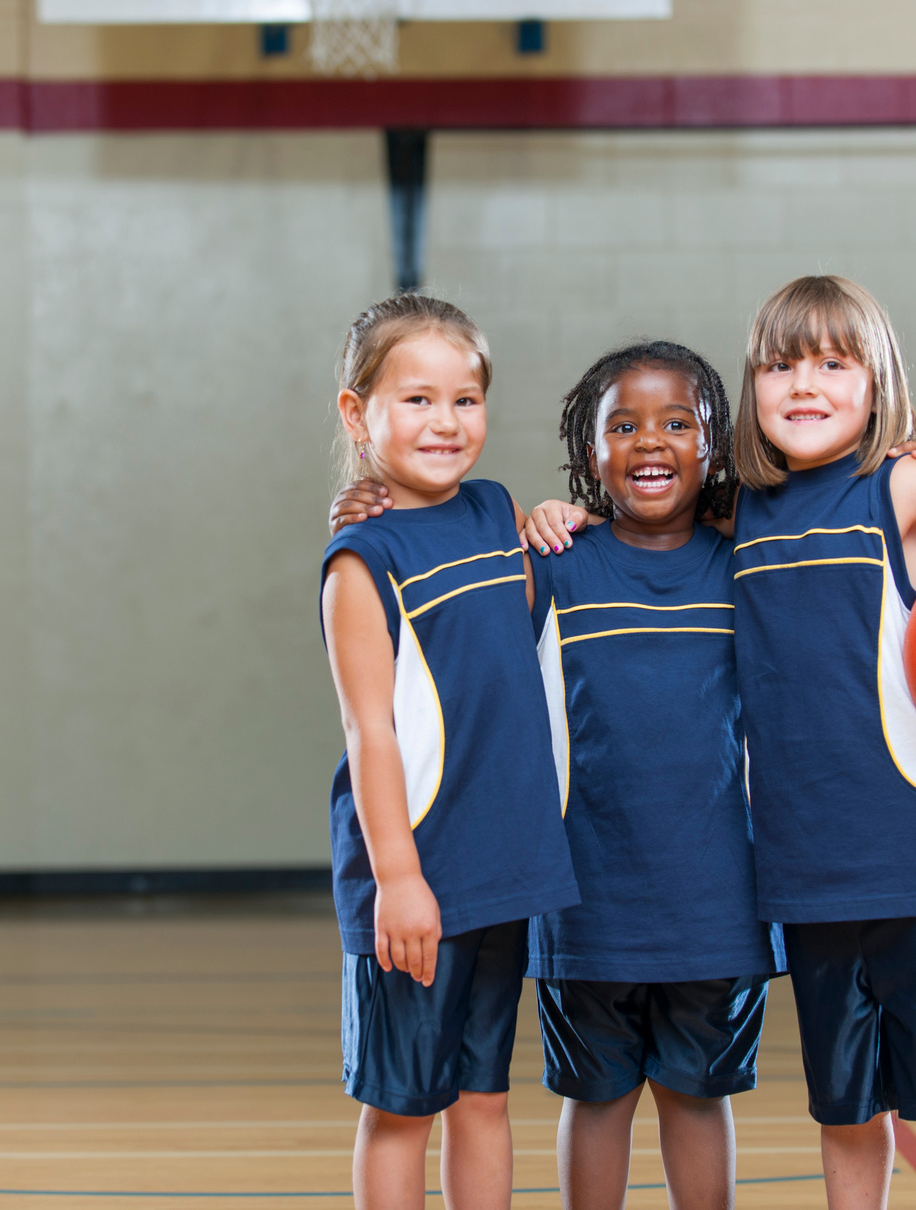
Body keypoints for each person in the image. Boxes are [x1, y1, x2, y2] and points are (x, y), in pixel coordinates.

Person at [523, 276, 916, 1210]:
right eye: (780, 365)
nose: (805, 384)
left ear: (877, 383)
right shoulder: (741, 513)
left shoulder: (904, 486)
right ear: (749, 391)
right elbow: (645, 512)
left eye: (833, 363)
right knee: (845, 1108)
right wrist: (554, 514)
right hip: (803, 876)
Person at [319, 293, 579, 1210]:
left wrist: (551, 515)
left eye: (464, 400)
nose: (445, 421)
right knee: (402, 1107)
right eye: (417, 398)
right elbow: (370, 731)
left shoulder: (493, 511)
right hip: (415, 880)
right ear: (359, 414)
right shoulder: (361, 559)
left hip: (504, 869)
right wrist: (398, 877)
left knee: (483, 1098)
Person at [527, 342, 779, 1210]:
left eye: (677, 423)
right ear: (587, 452)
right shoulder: (555, 563)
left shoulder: (745, 562)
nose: (649, 442)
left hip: (718, 901)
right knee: (595, 1099)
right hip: (587, 898)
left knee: (695, 1097)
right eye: (622, 425)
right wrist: (363, 504)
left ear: (713, 444)